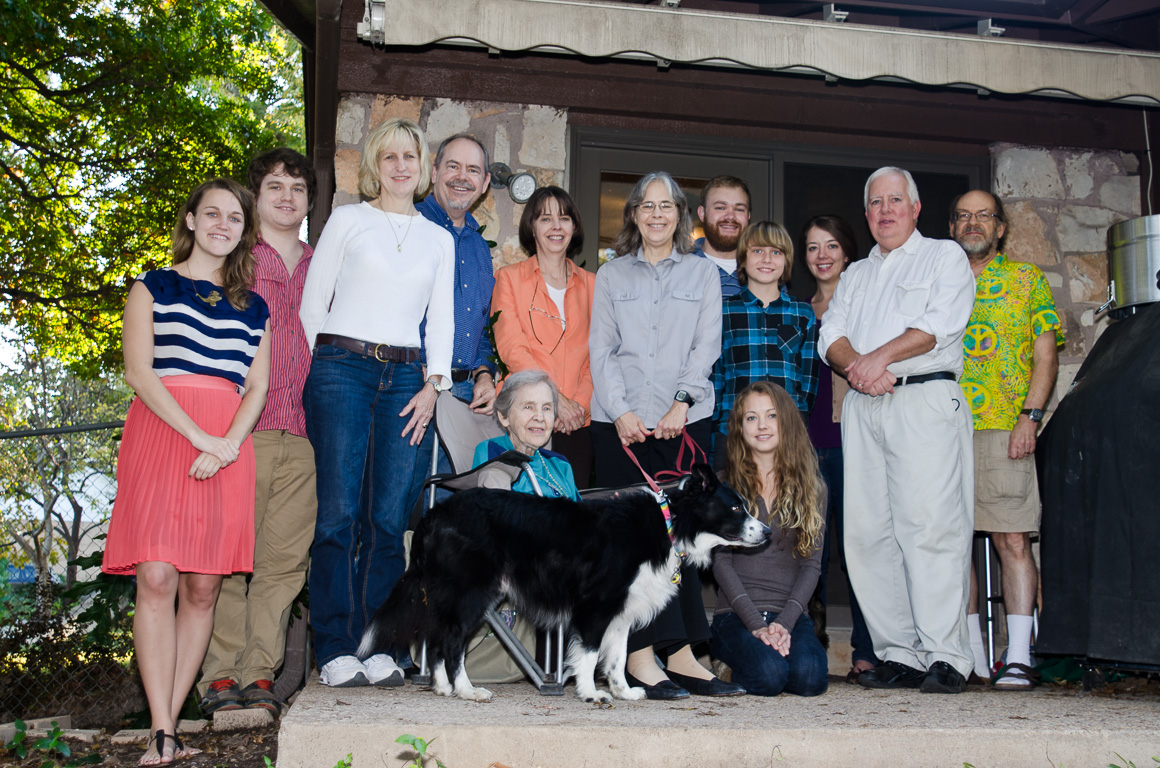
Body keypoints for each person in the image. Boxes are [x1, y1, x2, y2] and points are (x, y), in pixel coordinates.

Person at [103, 178, 271, 764]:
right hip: (163, 432)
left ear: (243, 231)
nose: (224, 224)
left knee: (203, 586)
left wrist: (226, 444)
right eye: (213, 214)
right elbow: (140, 374)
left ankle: (170, 724)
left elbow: (257, 386)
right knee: (155, 577)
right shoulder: (151, 287)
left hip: (227, 441)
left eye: (235, 217)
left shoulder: (254, 306)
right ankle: (160, 727)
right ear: (192, 220)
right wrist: (202, 437)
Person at [299, 117, 454, 688]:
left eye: (409, 156)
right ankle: (336, 645)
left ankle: (380, 644)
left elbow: (441, 320)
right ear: (374, 165)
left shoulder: (438, 239)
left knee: (388, 521)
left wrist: (433, 387)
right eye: (387, 156)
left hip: (408, 381)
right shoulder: (348, 220)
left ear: (422, 166)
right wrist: (336, 363)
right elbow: (313, 307)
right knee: (338, 516)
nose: (399, 165)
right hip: (343, 371)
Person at [817, 167, 976, 694]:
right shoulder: (857, 273)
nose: (885, 210)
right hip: (866, 407)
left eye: (895, 200)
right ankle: (900, 653)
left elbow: (939, 324)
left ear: (915, 207)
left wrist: (874, 360)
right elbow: (831, 334)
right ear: (867, 214)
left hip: (924, 399)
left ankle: (947, 655)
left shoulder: (944, 257)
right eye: (875, 203)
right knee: (868, 534)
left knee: (930, 528)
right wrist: (860, 365)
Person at [589, 170, 738, 699]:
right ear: (633, 214)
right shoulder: (611, 276)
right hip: (621, 428)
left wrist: (681, 403)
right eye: (646, 206)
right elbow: (601, 351)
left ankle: (682, 654)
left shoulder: (701, 276)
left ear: (681, 217)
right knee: (638, 548)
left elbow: (706, 347)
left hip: (682, 422)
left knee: (681, 545)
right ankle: (640, 657)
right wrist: (622, 411)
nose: (656, 214)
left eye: (667, 206)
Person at [197, 149, 317, 717]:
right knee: (227, 558)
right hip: (242, 431)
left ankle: (257, 675)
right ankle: (219, 677)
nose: (287, 196)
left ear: (310, 200)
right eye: (275, 186)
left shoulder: (325, 262)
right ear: (256, 195)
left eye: (297, 187)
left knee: (283, 565)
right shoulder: (234, 259)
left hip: (307, 433)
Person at [950, 190, 1061, 688]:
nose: (973, 223)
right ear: (952, 227)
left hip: (1002, 425)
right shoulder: (938, 279)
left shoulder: (1026, 280)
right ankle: (971, 658)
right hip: (940, 430)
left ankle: (1018, 657)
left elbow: (1046, 356)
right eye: (964, 216)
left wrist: (1030, 417)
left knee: (1011, 538)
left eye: (984, 216)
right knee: (951, 546)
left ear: (1000, 229)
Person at [711, 381, 829, 697]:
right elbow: (721, 564)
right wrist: (755, 624)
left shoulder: (811, 487)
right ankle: (728, 661)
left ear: (787, 422)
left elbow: (812, 566)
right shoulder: (724, 487)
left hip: (789, 613)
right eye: (751, 417)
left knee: (811, 679)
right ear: (739, 427)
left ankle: (771, 651)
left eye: (771, 415)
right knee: (768, 675)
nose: (762, 425)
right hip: (735, 615)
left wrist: (785, 624)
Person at [801, 214, 879, 681]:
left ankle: (868, 650)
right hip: (807, 449)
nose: (823, 256)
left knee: (860, 551)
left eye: (831, 246)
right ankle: (809, 645)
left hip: (854, 443)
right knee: (809, 550)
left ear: (848, 253)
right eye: (813, 247)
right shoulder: (795, 309)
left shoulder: (866, 307)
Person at [491, 187, 595, 486]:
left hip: (575, 421)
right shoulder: (509, 278)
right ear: (532, 227)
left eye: (564, 218)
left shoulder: (594, 286)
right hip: (524, 416)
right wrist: (552, 401)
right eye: (545, 218)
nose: (556, 227)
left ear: (574, 227)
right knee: (522, 515)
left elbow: (597, 355)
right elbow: (512, 348)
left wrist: (576, 407)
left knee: (569, 517)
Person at [712, 220, 818, 472]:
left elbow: (808, 378)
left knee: (788, 505)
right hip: (734, 430)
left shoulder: (802, 313)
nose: (766, 259)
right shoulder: (723, 311)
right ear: (743, 260)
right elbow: (716, 373)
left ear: (786, 261)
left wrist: (797, 423)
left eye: (776, 252)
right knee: (732, 506)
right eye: (757, 251)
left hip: (787, 433)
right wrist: (719, 423)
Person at [472, 369, 580, 500]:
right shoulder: (492, 451)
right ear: (504, 417)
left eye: (546, 408)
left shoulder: (560, 463)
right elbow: (499, 511)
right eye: (528, 407)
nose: (540, 417)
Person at [694, 175, 752, 298]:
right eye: (720, 208)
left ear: (748, 216)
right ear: (702, 213)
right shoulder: (678, 268)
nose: (730, 216)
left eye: (739, 209)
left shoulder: (766, 269)